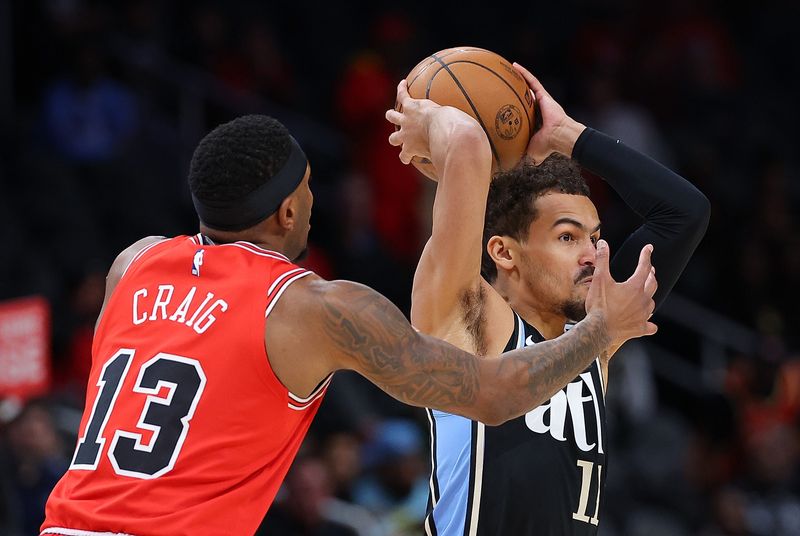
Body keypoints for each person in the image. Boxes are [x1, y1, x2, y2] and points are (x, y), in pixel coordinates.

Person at [40, 114, 657, 536]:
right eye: (308, 191)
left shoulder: (134, 264)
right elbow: (493, 396)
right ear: (287, 211)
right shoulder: (316, 309)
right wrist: (603, 330)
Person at [385, 63, 709, 536]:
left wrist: (568, 135)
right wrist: (430, 121)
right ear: (503, 252)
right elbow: (470, 145)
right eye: (567, 237)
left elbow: (686, 213)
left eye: (595, 237)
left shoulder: (592, 337)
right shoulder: (465, 317)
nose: (594, 254)